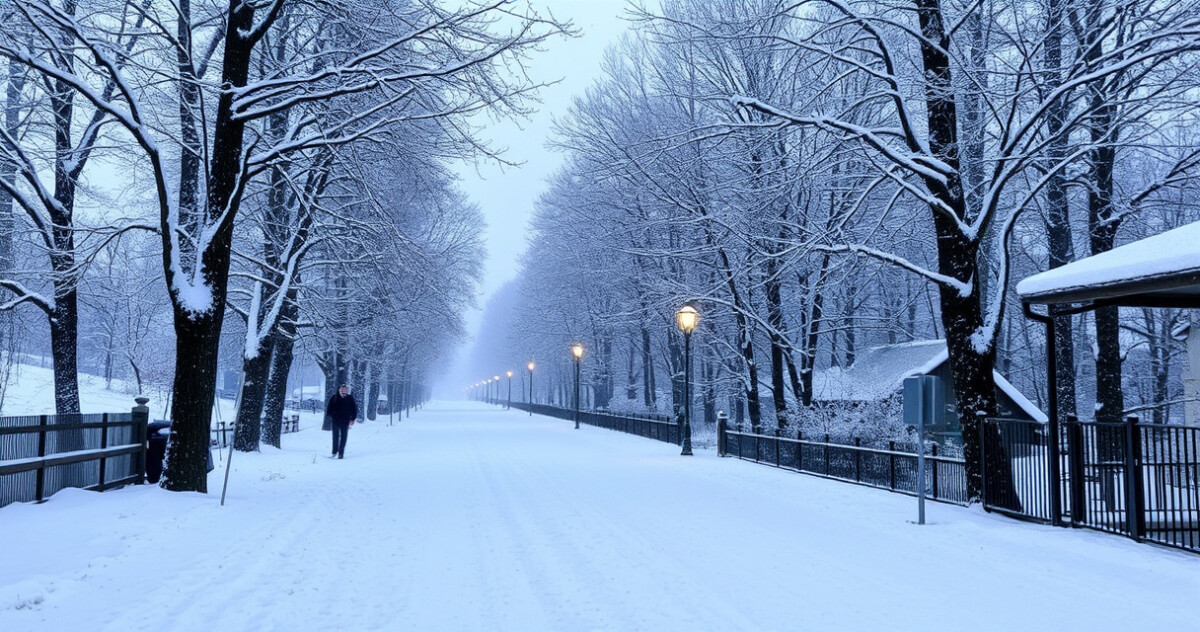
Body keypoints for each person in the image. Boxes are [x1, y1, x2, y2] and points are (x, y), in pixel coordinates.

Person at [325, 384, 358, 459]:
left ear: (347, 391)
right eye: (342, 389)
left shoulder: (350, 398)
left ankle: (341, 453)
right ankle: (334, 452)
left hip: (345, 420)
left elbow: (354, 409)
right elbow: (329, 408)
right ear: (339, 390)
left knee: (344, 436)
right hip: (335, 420)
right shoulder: (334, 398)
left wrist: (353, 419)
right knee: (335, 436)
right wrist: (332, 414)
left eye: (345, 390)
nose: (343, 391)